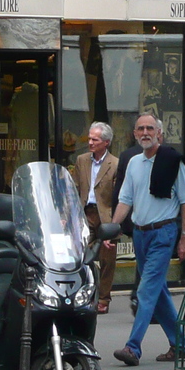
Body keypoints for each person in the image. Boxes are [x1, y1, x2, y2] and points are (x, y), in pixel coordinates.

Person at [110, 114, 185, 367]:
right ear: (134, 134)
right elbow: (125, 200)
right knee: (158, 292)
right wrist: (112, 229)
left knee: (146, 290)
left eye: (150, 128)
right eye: (140, 129)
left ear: (159, 132)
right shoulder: (133, 162)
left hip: (163, 232)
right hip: (140, 233)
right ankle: (181, 345)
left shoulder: (171, 161)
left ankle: (132, 347)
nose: (145, 132)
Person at [73, 122, 120, 315]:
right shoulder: (81, 160)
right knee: (80, 255)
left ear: (106, 142)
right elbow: (74, 189)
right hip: (85, 213)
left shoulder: (116, 164)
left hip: (107, 216)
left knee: (107, 259)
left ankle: (103, 298)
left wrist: (115, 226)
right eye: (89, 138)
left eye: (95, 139)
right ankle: (82, 294)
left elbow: (119, 197)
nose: (90, 142)